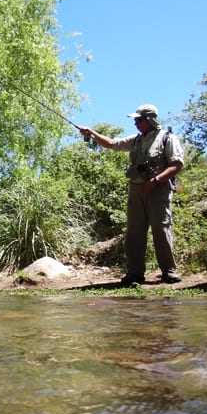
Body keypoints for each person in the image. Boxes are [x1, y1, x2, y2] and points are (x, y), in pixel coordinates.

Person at [78, 104, 185, 285]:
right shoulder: (136, 140)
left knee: (161, 229)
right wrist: (92, 133)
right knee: (134, 232)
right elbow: (112, 144)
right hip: (136, 190)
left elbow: (177, 165)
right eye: (135, 120)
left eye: (139, 120)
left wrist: (156, 180)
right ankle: (135, 274)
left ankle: (169, 272)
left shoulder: (168, 138)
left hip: (159, 189)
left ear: (150, 120)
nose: (135, 123)